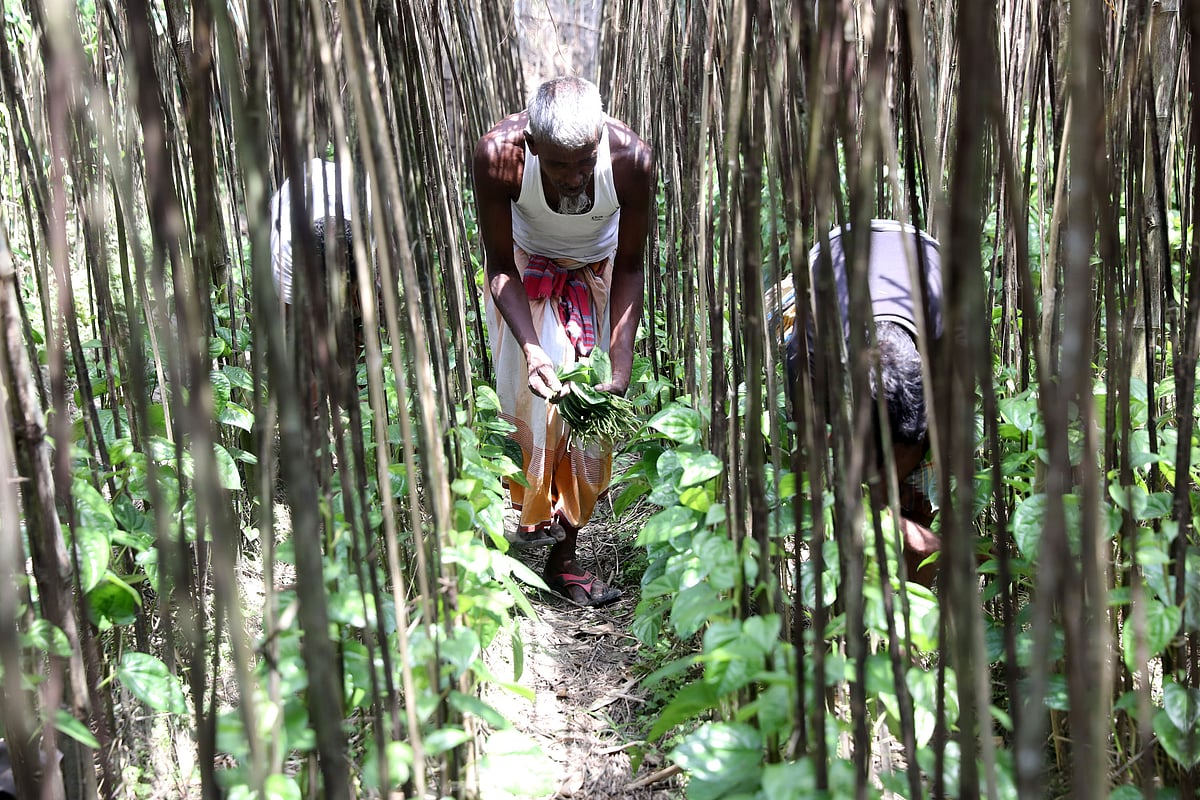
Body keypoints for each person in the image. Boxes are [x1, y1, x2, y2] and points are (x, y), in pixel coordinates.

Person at [474, 76, 653, 607]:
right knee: (532, 405)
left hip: (600, 276)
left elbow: (633, 264)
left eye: (584, 161)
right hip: (526, 277)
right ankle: (525, 525)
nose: (575, 177)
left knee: (590, 416)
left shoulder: (630, 161)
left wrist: (619, 363)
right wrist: (531, 349)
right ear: (532, 146)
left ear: (599, 139)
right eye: (558, 166)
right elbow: (501, 267)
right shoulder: (498, 155)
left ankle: (564, 556)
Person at [787, 220, 944, 586]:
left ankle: (910, 624)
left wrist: (908, 507)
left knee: (921, 499)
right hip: (835, 253)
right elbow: (811, 450)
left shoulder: (949, 337)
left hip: (927, 257)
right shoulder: (809, 345)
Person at [269, 157, 368, 409]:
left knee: (361, 314)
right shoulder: (285, 251)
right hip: (294, 198)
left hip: (345, 192)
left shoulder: (367, 217)